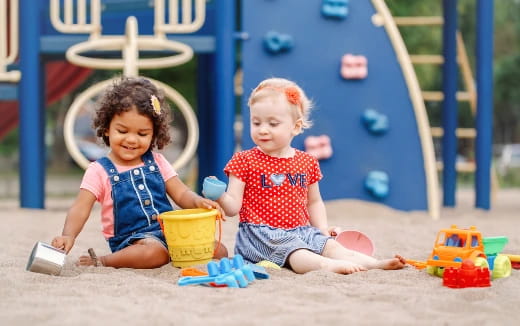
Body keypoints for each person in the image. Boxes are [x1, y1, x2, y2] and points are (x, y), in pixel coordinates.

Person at [214, 77, 405, 274]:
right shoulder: (244, 160)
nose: (263, 129)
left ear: (296, 127)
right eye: (256, 122)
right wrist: (219, 195)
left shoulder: (307, 162)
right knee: (298, 253)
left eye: (273, 123)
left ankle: (373, 263)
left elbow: (314, 202)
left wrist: (322, 228)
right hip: (261, 235)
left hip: (301, 230)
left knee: (331, 246)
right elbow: (233, 208)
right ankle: (327, 266)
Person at [52, 77, 227, 269]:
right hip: (133, 241)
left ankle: (174, 254)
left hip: (171, 232)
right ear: (107, 128)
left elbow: (181, 193)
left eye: (142, 134)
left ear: (154, 134)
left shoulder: (157, 162)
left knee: (219, 250)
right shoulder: (99, 170)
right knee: (154, 253)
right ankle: (103, 261)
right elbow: (80, 208)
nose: (132, 139)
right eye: (122, 131)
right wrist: (68, 235)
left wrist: (197, 201)